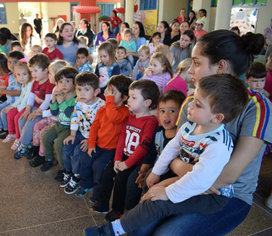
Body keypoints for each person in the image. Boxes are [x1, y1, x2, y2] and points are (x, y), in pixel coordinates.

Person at [115, 30, 269, 236]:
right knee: (138, 226)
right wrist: (181, 179)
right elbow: (173, 154)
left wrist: (173, 184)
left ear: (220, 67)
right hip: (186, 182)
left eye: (196, 63)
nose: (190, 70)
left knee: (167, 234)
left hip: (227, 196)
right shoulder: (191, 103)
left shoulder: (256, 106)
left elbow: (228, 176)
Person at [84, 74, 250, 236]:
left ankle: (113, 230)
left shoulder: (218, 144)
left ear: (217, 117)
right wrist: (156, 172)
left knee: (160, 202)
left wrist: (168, 193)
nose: (190, 105)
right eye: (193, 98)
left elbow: (200, 181)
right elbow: (171, 148)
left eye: (198, 104)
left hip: (211, 195)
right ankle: (135, 219)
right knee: (152, 187)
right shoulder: (191, 125)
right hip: (192, 179)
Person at [89, 79, 159, 222]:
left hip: (135, 161)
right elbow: (122, 138)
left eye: (134, 97)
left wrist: (127, 164)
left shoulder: (150, 121)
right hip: (123, 157)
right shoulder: (130, 116)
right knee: (107, 172)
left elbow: (143, 147)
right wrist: (117, 159)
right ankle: (102, 203)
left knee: (121, 180)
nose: (130, 100)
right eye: (129, 96)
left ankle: (118, 210)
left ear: (147, 103)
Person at [124, 90, 186, 211]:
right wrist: (143, 171)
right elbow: (151, 153)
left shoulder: (182, 138)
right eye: (162, 111)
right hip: (152, 167)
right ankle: (129, 212)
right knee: (133, 181)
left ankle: (142, 211)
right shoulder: (158, 131)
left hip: (168, 173)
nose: (166, 115)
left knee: (150, 191)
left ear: (181, 114)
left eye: (172, 111)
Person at [76, 75, 132, 201]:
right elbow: (94, 128)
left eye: (113, 92)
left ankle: (97, 194)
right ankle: (86, 184)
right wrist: (91, 144)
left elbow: (113, 117)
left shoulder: (124, 111)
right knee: (85, 161)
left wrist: (110, 100)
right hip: (98, 145)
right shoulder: (103, 109)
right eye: (108, 90)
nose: (108, 94)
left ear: (124, 98)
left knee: (98, 168)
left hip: (111, 150)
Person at [61, 71, 105, 194]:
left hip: (93, 138)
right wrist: (72, 135)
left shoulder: (101, 106)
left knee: (77, 153)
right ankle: (69, 172)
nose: (81, 93)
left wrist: (91, 141)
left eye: (86, 90)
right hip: (81, 133)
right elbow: (75, 117)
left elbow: (103, 127)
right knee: (67, 147)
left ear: (96, 91)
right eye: (79, 89)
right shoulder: (78, 102)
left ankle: (76, 176)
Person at [29, 60, 69, 167]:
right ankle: (36, 148)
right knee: (37, 125)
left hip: (57, 118)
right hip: (53, 116)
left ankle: (44, 156)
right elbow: (53, 106)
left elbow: (56, 111)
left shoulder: (64, 90)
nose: (48, 75)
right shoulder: (55, 88)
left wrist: (42, 114)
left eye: (50, 73)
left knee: (43, 132)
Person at [13, 53, 54, 157]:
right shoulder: (35, 82)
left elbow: (48, 101)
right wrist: (27, 110)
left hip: (44, 111)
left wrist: (36, 113)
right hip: (35, 108)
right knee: (21, 119)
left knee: (31, 121)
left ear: (45, 70)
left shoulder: (50, 83)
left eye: (36, 71)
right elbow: (31, 97)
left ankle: (23, 144)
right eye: (31, 71)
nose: (33, 74)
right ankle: (28, 142)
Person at [39, 66, 77, 175]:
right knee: (45, 137)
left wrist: (61, 102)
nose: (63, 84)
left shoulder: (76, 98)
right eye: (60, 81)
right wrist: (53, 99)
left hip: (68, 128)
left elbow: (71, 116)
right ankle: (49, 159)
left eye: (67, 81)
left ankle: (63, 168)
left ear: (75, 82)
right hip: (58, 124)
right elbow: (54, 112)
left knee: (59, 144)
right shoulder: (62, 95)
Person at [0, 51, 23, 141]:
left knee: (3, 112)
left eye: (15, 62)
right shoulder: (10, 75)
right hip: (9, 100)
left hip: (16, 102)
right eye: (9, 62)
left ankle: (8, 130)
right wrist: (1, 90)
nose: (11, 65)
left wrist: (5, 91)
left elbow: (18, 92)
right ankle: (1, 129)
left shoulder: (19, 76)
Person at [2, 59, 34, 145]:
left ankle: (19, 139)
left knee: (17, 118)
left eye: (24, 74)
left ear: (30, 74)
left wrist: (19, 110)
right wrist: (11, 107)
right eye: (18, 75)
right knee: (10, 114)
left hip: (27, 106)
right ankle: (12, 133)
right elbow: (20, 98)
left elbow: (26, 98)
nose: (21, 77)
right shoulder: (24, 84)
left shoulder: (31, 83)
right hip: (21, 106)